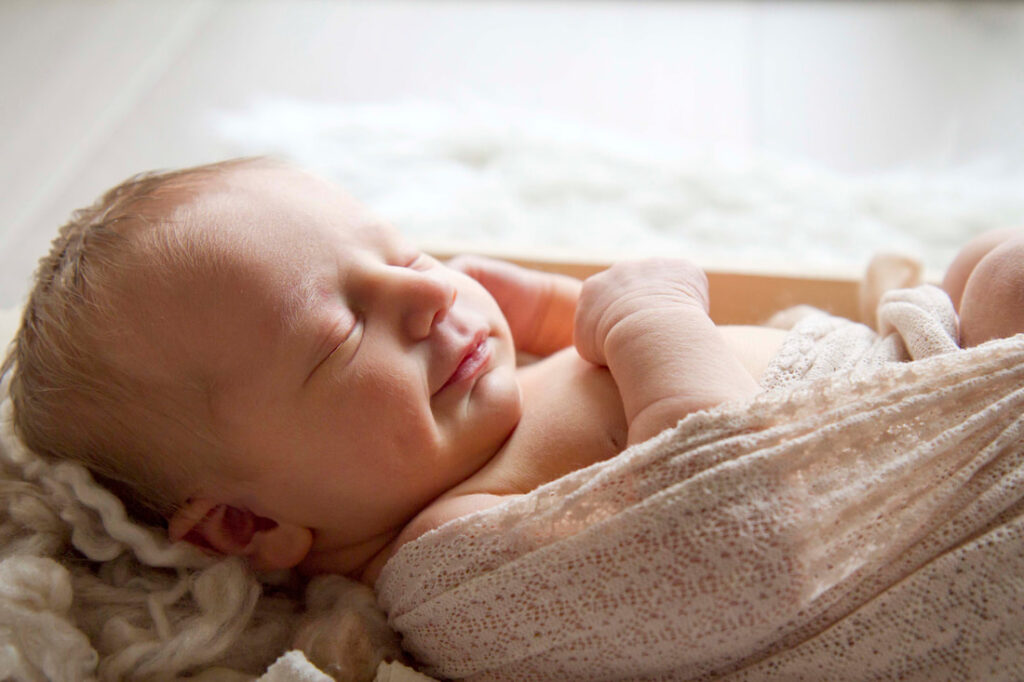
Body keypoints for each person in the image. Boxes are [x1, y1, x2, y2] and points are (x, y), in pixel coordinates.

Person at [3, 158, 1021, 587]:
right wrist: (651, 323)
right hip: (947, 490)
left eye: (401, 257)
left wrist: (555, 315)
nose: (426, 296)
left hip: (914, 375)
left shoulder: (461, 428)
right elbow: (733, 528)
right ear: (245, 525)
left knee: (990, 267)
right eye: (344, 331)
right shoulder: (451, 549)